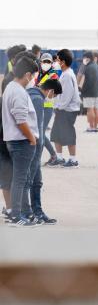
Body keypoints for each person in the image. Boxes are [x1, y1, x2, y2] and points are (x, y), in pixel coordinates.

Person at [2, 55, 41, 226]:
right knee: (20, 179)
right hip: (22, 142)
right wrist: (32, 138)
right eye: (32, 75)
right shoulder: (18, 91)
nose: (32, 79)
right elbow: (21, 120)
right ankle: (17, 216)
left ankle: (19, 213)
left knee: (18, 179)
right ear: (27, 74)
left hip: (14, 140)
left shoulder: (10, 86)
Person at [27, 77, 59, 224]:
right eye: (54, 95)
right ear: (50, 90)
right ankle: (30, 213)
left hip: (29, 146)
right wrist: (38, 150)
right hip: (32, 148)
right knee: (32, 181)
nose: (51, 98)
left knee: (33, 181)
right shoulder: (38, 100)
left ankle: (33, 212)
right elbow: (38, 129)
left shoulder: (30, 93)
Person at [50, 49, 81, 167]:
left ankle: (73, 160)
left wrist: (59, 107)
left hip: (67, 110)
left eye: (57, 60)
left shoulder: (68, 75)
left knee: (68, 134)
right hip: (61, 108)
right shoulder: (64, 73)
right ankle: (59, 158)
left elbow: (67, 95)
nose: (55, 62)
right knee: (56, 134)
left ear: (62, 61)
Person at [77, 51, 98, 133]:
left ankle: (91, 127)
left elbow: (88, 81)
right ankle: (96, 126)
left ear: (88, 58)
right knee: (96, 109)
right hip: (96, 91)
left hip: (89, 92)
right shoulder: (97, 67)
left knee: (90, 110)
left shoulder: (88, 67)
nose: (83, 60)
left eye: (84, 58)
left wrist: (82, 90)